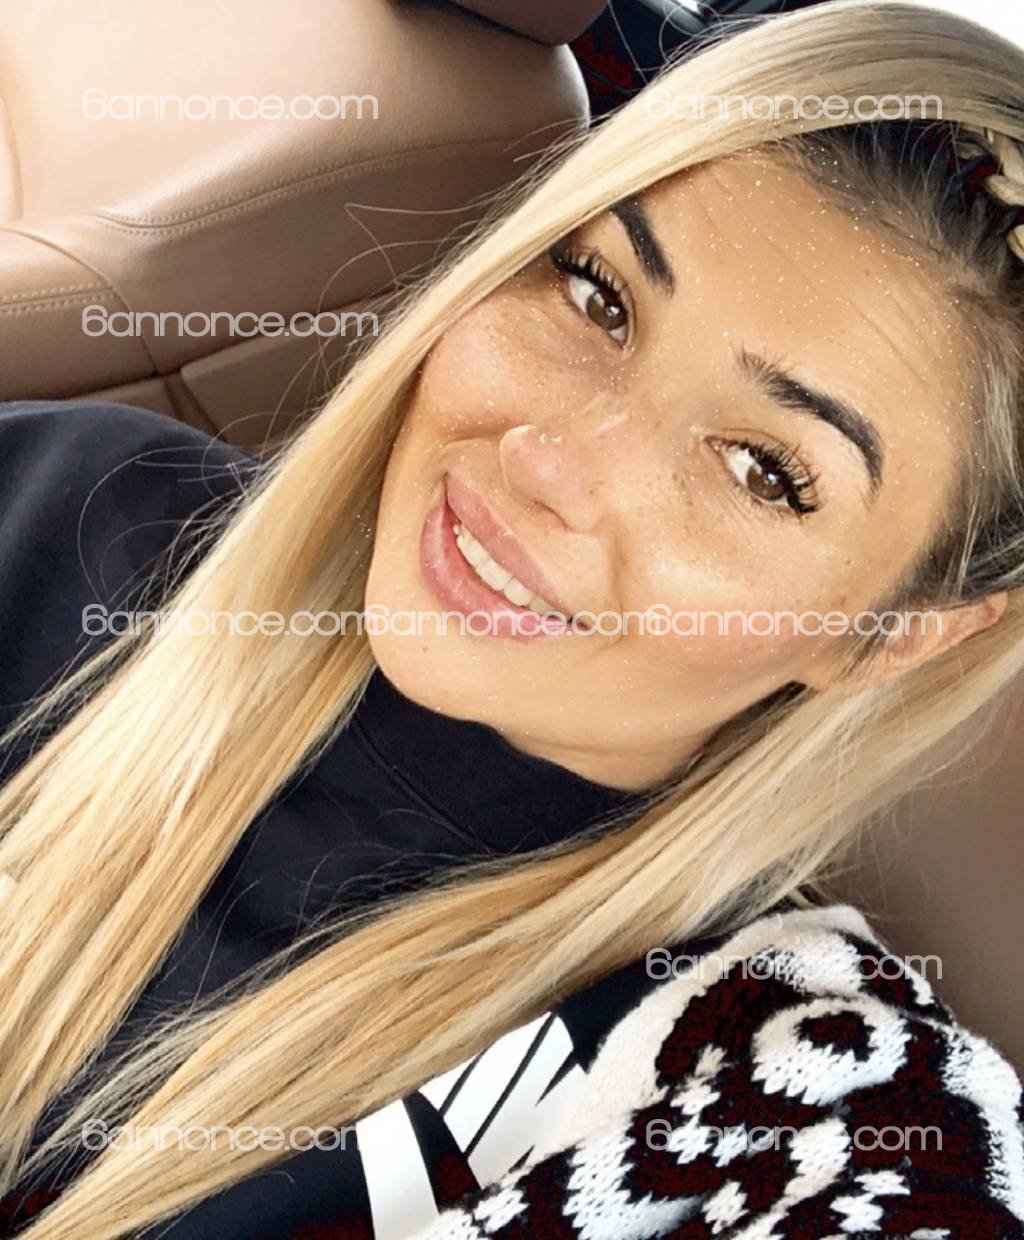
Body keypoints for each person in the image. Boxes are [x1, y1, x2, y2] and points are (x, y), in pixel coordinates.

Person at [1, 1, 1023, 1235]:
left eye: (763, 471)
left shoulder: (791, 1101)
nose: (551, 461)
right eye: (597, 296)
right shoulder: (56, 513)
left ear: (893, 631)